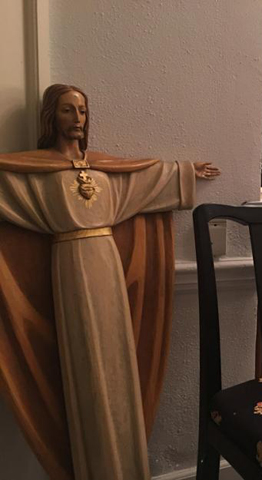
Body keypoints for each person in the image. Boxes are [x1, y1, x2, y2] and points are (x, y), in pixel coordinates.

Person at [0, 84, 219, 480]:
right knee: (83, 365)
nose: (77, 119)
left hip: (108, 272)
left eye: (82, 111)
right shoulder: (37, 173)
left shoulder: (103, 172)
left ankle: (126, 463)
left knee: (119, 361)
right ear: (52, 118)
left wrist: (184, 172)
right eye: (68, 111)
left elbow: (142, 181)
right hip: (69, 269)